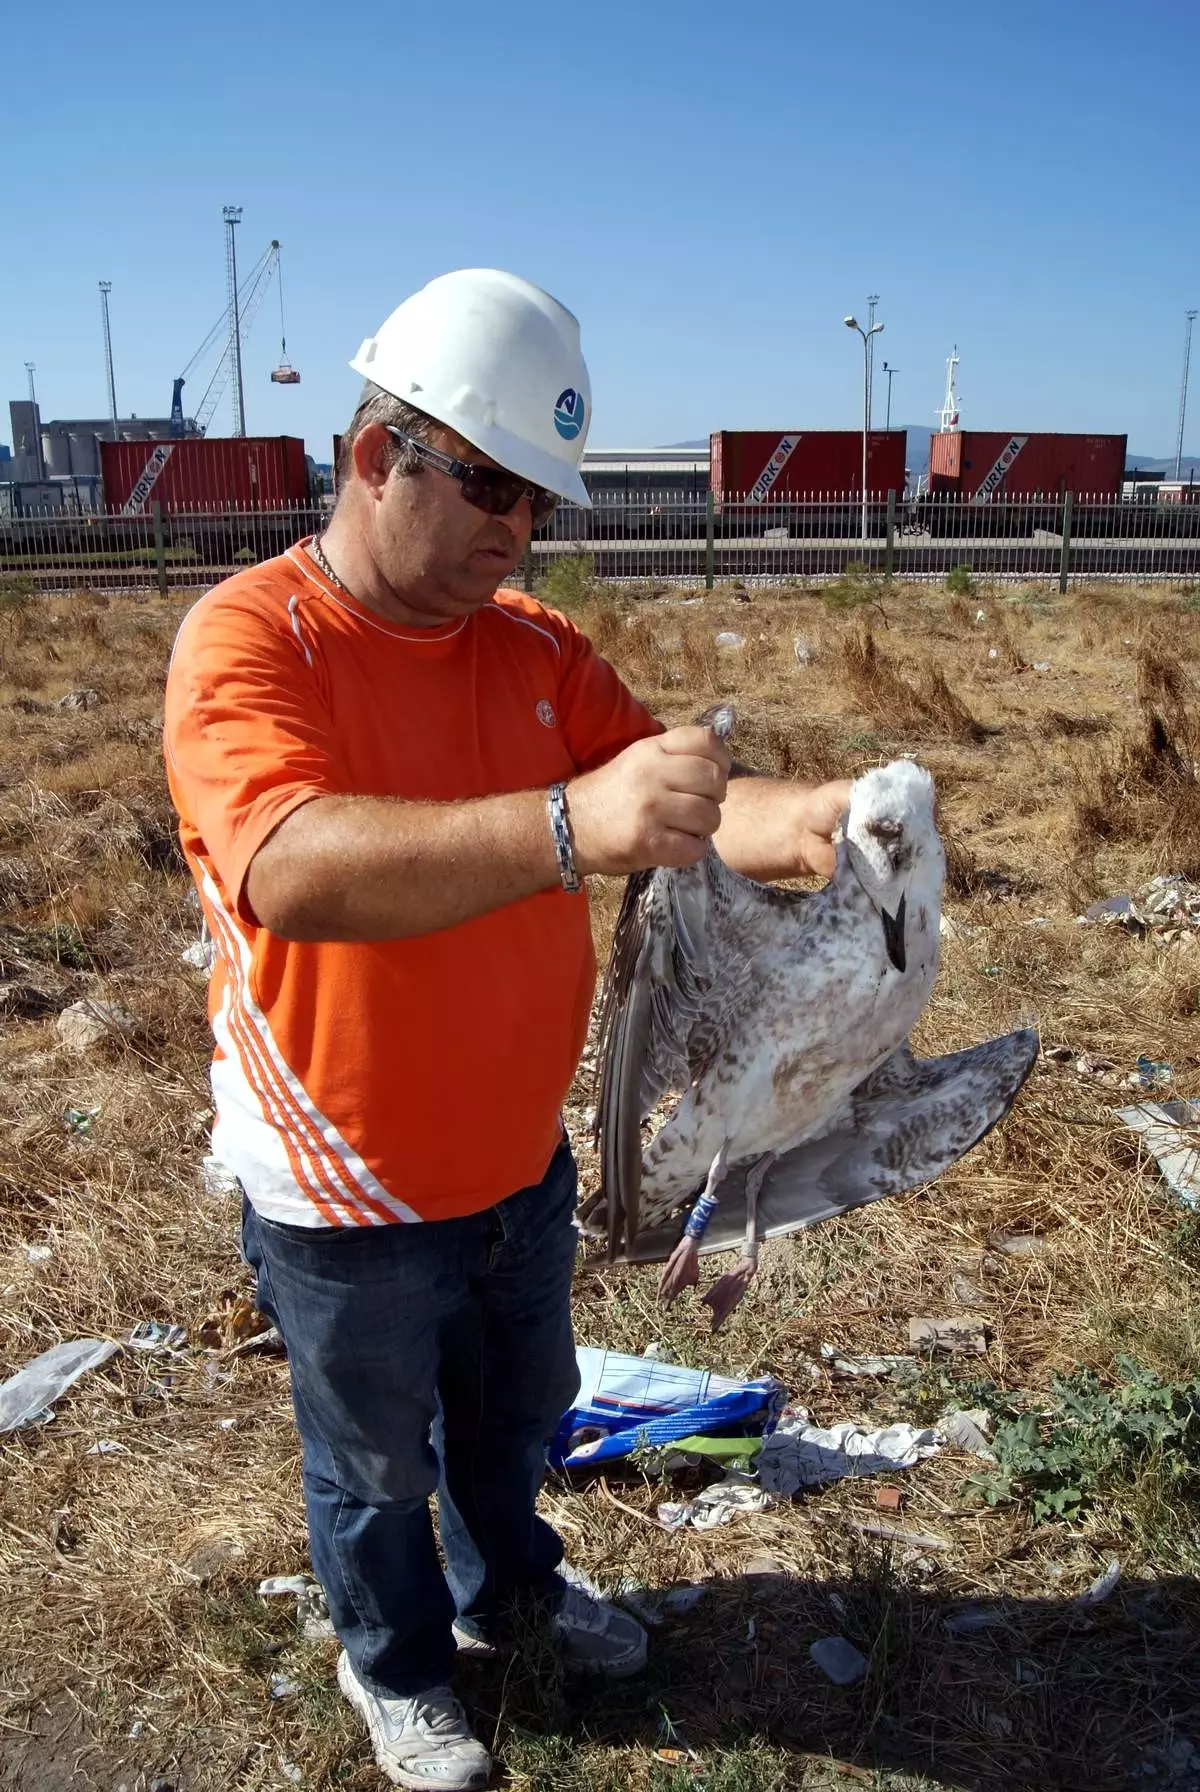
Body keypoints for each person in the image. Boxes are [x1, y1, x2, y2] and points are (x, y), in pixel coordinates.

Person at [163, 268, 851, 1791]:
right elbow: (289, 867)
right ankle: (398, 1668)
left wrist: (806, 821)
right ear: (372, 454)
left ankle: (515, 1589)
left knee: (515, 1420)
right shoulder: (250, 642)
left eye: (537, 499)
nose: (515, 529)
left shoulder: (533, 649)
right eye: (485, 483)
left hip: (515, 1164)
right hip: (346, 1190)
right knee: (369, 1464)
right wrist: (564, 826)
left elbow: (664, 798)